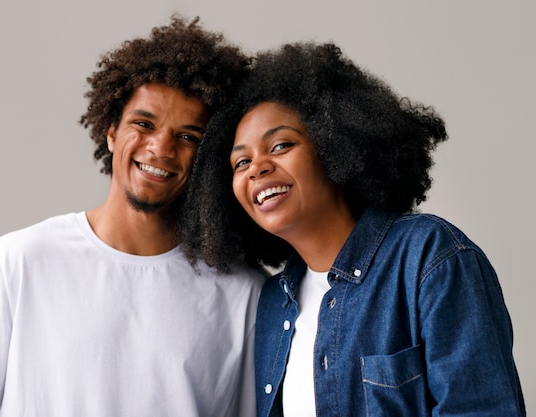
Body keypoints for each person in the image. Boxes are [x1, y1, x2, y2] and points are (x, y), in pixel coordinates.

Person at [0, 16, 266, 417]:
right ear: (111, 131)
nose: (161, 147)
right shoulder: (23, 258)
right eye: (144, 123)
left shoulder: (244, 293)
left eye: (188, 137)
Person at [179, 42, 526, 416]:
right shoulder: (273, 301)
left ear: (334, 147)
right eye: (240, 161)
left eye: (280, 145)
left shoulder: (429, 258)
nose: (256, 168)